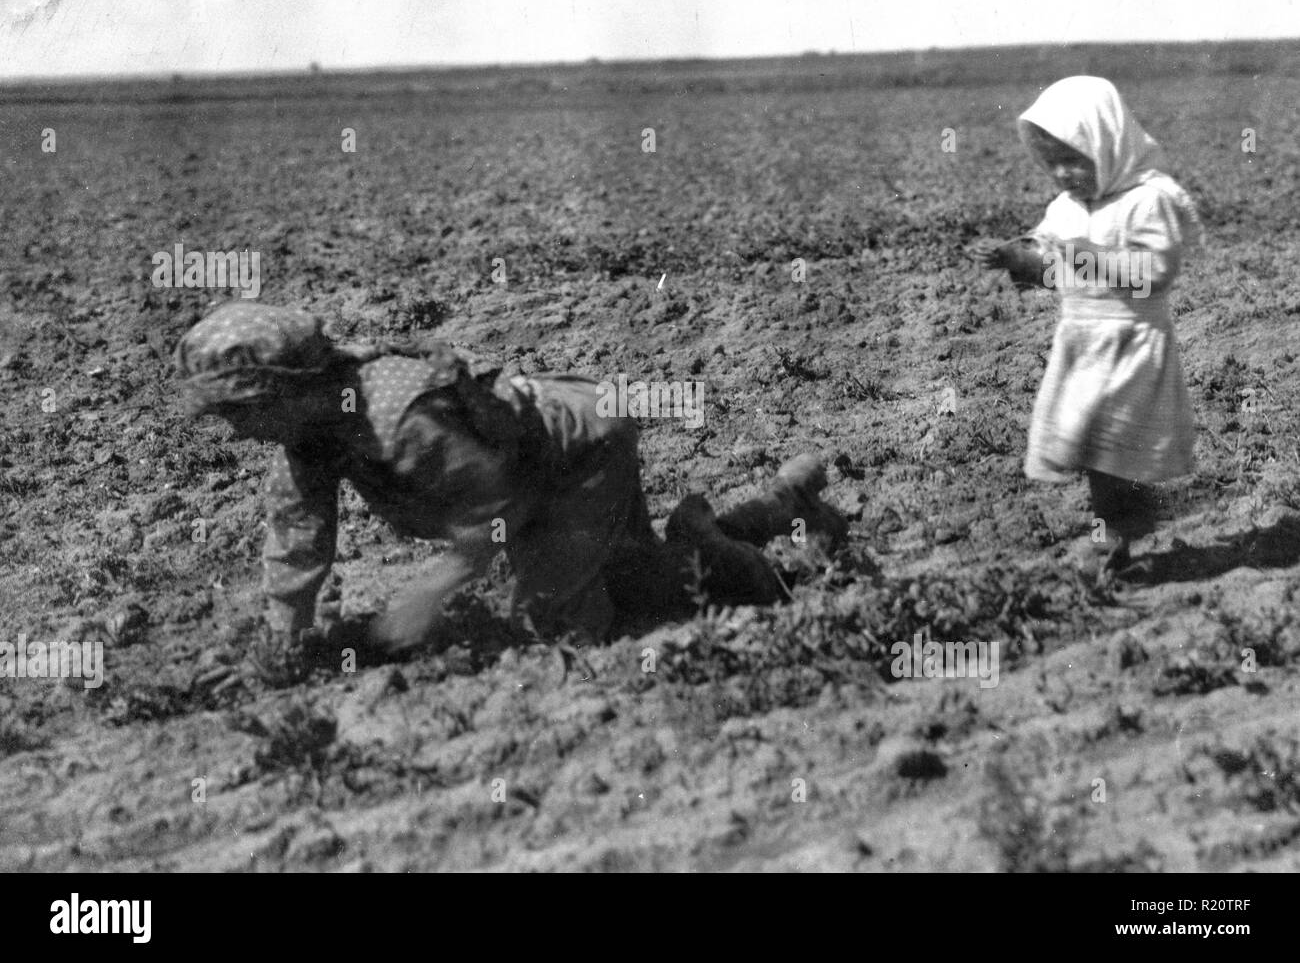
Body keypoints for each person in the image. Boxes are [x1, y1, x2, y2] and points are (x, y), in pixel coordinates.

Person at [173, 303, 847, 664]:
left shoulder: (401, 419)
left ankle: (758, 565)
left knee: (559, 635)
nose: (234, 432)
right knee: (645, 588)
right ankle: (767, 509)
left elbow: (497, 511)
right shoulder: (308, 430)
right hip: (535, 470)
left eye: (240, 412)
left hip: (577, 454)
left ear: (288, 392)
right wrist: (285, 641)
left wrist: (428, 593)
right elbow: (296, 539)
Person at [969, 76, 1203, 578]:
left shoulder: (1147, 200)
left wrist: (1090, 255)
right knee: (1090, 445)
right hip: (1082, 343)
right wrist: (1018, 257)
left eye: (1075, 159)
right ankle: (1124, 525)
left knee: (1112, 454)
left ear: (1109, 144)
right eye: (1053, 163)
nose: (1064, 173)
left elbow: (1155, 273)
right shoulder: (1066, 209)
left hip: (1131, 342)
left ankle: (1113, 540)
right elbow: (1053, 270)